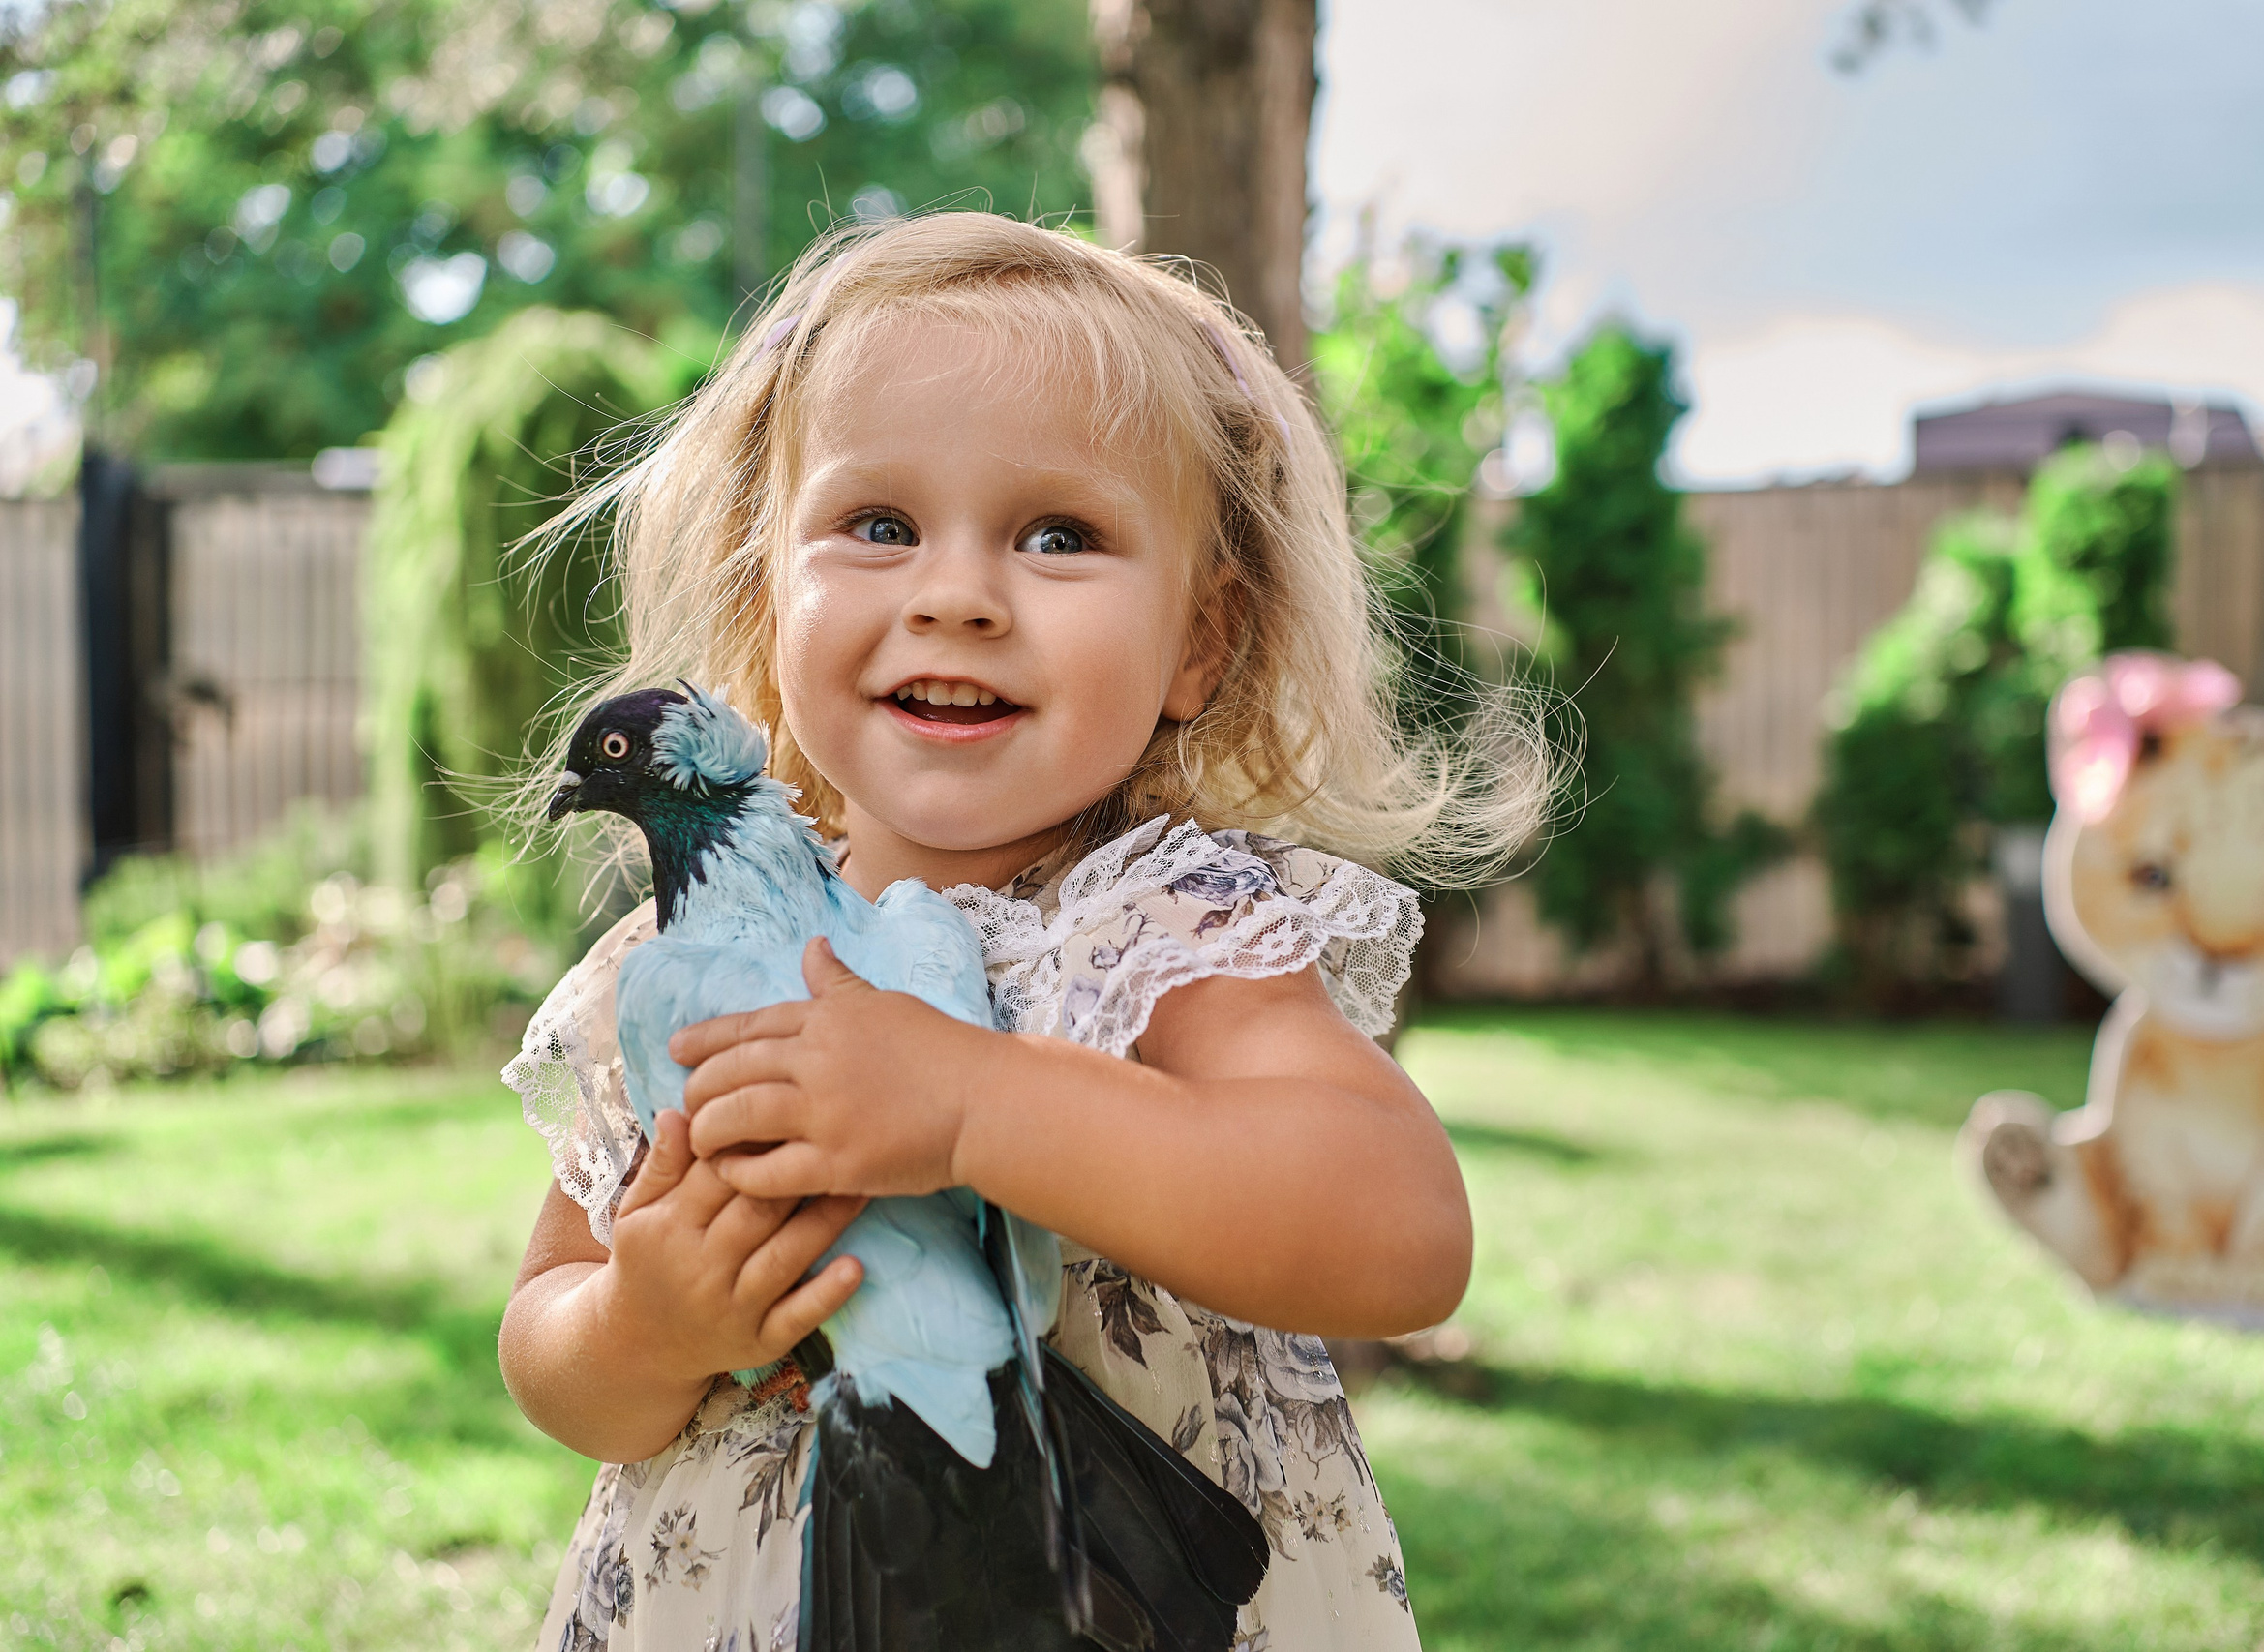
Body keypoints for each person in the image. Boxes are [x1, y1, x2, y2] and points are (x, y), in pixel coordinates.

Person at [496, 211, 1558, 1652]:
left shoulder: (1162, 930)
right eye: (878, 527)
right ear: (766, 602)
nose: (954, 595)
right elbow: (551, 1336)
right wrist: (646, 1325)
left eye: (1058, 535)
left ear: (1199, 641)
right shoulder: (662, 968)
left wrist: (975, 1103)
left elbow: (1399, 1235)